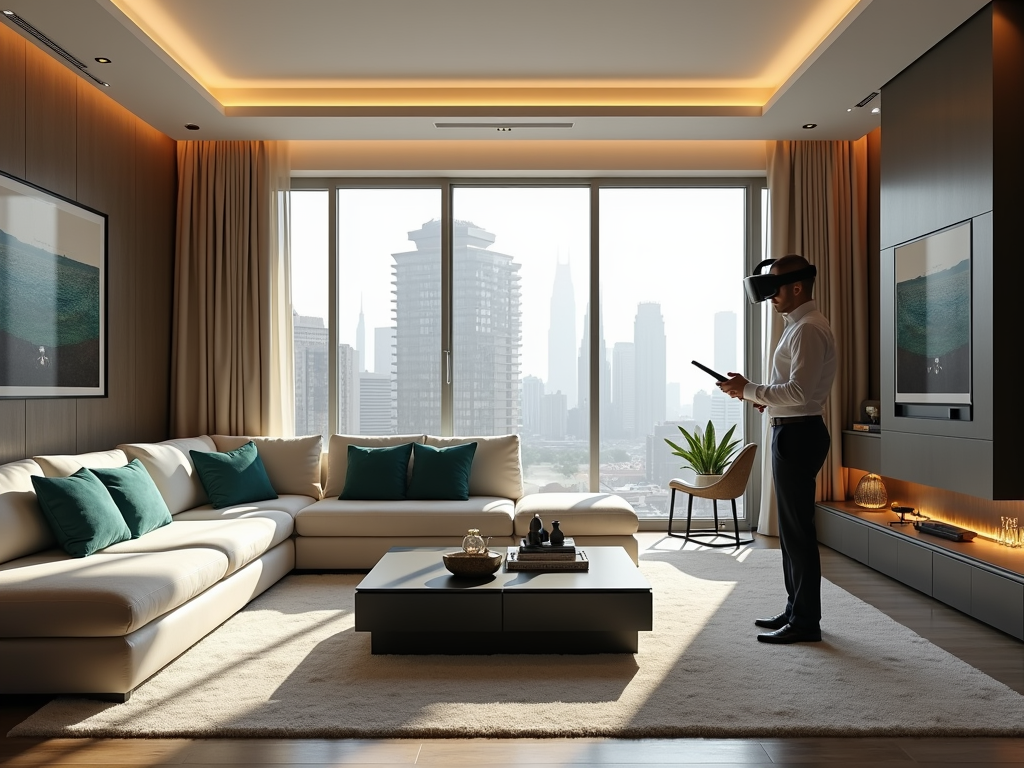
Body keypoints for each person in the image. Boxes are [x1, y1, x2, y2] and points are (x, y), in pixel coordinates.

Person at [718, 254, 836, 644]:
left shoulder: (808, 329)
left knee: (798, 532)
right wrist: (761, 397)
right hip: (791, 429)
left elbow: (800, 392)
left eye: (776, 288)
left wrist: (750, 388)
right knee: (790, 531)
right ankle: (794, 609)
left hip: (799, 434)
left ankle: (805, 623)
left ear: (798, 287)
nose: (770, 297)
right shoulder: (797, 327)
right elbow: (793, 392)